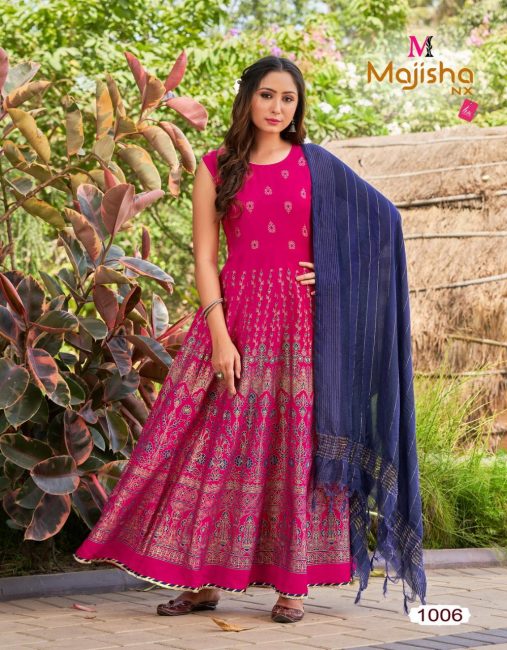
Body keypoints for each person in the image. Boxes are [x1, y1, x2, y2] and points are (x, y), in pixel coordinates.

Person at [74, 55, 355, 624]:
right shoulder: (216, 166)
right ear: (248, 98)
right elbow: (205, 258)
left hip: (301, 324)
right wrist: (220, 336)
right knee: (207, 444)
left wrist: (334, 272)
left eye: (289, 99)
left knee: (292, 444)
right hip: (234, 316)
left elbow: (373, 229)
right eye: (268, 95)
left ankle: (292, 585)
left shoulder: (316, 165)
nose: (277, 108)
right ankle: (200, 580)